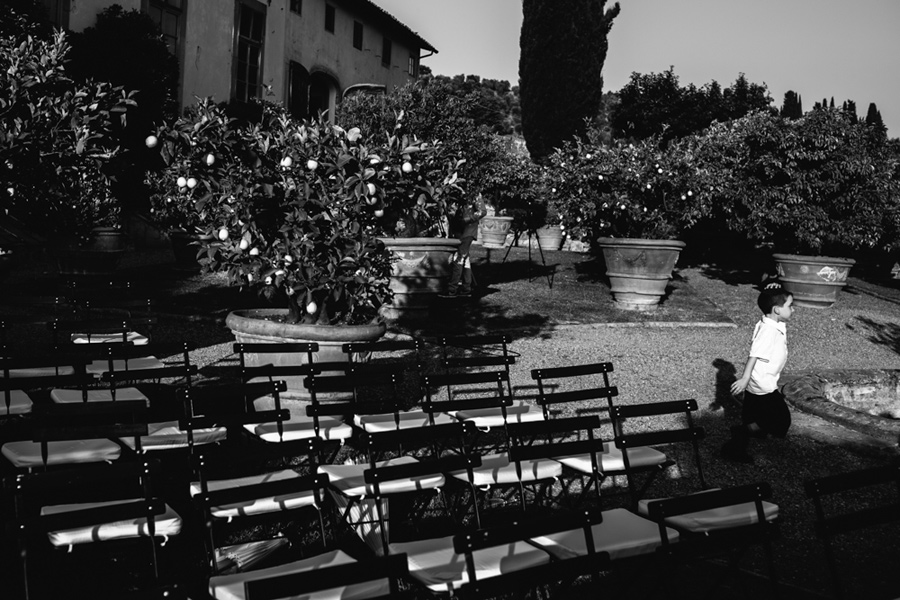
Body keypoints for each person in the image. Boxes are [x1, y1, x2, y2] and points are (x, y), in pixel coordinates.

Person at [721, 285, 794, 464]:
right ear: (777, 309)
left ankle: (738, 446)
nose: (793, 309)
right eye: (790, 306)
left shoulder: (769, 323)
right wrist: (745, 378)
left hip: (760, 380)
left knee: (754, 415)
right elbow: (754, 354)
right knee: (781, 420)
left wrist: (772, 287)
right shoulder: (768, 331)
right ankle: (743, 432)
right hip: (763, 383)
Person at [440, 195, 485, 298]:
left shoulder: (475, 195)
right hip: (463, 232)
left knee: (458, 259)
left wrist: (468, 219)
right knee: (465, 260)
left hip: (467, 233)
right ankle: (466, 289)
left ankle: (452, 289)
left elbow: (483, 211)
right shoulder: (465, 194)